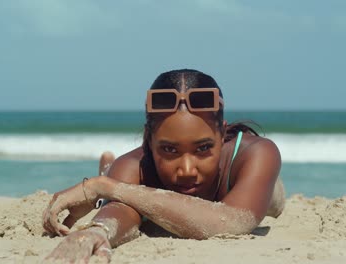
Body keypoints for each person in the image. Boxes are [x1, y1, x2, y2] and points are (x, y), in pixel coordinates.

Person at [42, 69, 285, 263]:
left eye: (203, 148)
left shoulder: (256, 153)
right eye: (169, 150)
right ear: (149, 139)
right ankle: (109, 170)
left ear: (223, 134)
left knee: (275, 198)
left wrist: (105, 186)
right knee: (119, 174)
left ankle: (107, 173)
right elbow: (122, 211)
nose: (187, 169)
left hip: (264, 192)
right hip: (124, 174)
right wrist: (98, 230)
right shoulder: (134, 165)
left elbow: (233, 222)